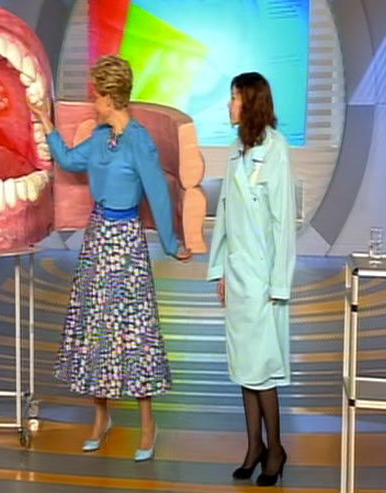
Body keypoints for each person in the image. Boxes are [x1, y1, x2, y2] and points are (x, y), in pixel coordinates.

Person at [30, 55, 191, 462]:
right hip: (97, 237)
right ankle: (101, 417)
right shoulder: (101, 138)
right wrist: (47, 126)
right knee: (96, 328)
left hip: (126, 241)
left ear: (109, 97)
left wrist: (172, 244)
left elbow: (158, 194)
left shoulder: (139, 141)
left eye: (95, 95)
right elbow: (70, 160)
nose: (92, 102)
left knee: (134, 331)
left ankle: (148, 424)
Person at [207, 72, 296, 486]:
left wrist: (278, 285)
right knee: (245, 366)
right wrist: (220, 269)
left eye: (234, 97)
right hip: (238, 274)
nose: (229, 105)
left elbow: (283, 222)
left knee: (262, 368)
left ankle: (275, 449)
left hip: (262, 278)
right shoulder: (235, 149)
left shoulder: (276, 149)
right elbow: (226, 214)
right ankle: (253, 446)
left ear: (251, 102)